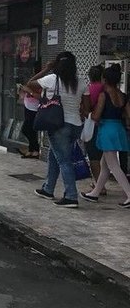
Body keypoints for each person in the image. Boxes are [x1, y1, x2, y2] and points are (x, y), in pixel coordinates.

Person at [28, 51, 89, 208]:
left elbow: (30, 83)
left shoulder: (52, 79)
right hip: (76, 125)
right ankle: (48, 188)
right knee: (54, 155)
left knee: (64, 160)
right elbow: (87, 108)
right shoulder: (81, 82)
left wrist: (47, 69)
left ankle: (71, 196)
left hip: (58, 125)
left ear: (57, 65)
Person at [81, 64, 130, 206]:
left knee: (113, 165)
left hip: (106, 130)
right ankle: (95, 193)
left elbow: (96, 116)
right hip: (118, 129)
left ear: (104, 80)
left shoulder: (104, 95)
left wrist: (87, 113)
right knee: (105, 165)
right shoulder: (124, 96)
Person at [82, 65, 104, 186]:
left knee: (93, 157)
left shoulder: (89, 89)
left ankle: (99, 185)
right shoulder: (107, 88)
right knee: (104, 158)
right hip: (105, 124)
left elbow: (86, 108)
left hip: (93, 124)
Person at [18, 81, 41, 159]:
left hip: (34, 110)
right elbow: (21, 97)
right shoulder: (29, 88)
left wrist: (29, 91)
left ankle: (35, 149)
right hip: (28, 108)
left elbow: (41, 97)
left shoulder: (38, 88)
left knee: (27, 129)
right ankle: (32, 150)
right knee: (30, 131)